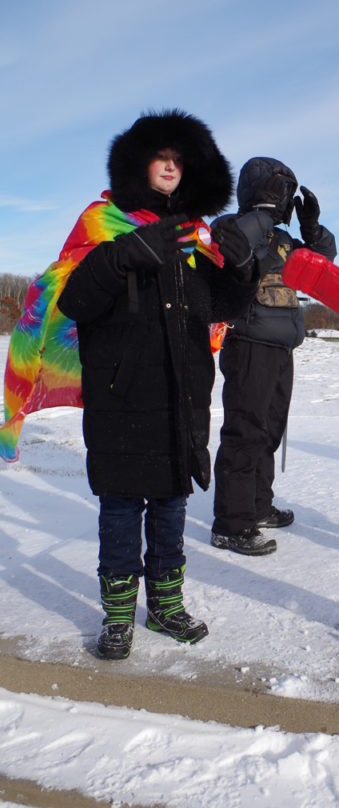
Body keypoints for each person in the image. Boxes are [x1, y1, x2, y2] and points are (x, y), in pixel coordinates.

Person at [58, 110, 272, 661]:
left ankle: (168, 606)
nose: (172, 167)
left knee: (172, 509)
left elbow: (224, 308)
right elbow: (73, 301)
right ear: (140, 163)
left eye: (181, 160)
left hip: (183, 398)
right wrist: (124, 255)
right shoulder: (102, 225)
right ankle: (118, 617)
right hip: (120, 401)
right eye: (163, 158)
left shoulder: (198, 237)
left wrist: (242, 269)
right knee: (122, 512)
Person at [210, 156, 337, 556]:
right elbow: (232, 253)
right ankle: (231, 523)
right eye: (278, 190)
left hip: (281, 347)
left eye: (287, 192)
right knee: (245, 433)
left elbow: (322, 264)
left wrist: (312, 230)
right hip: (248, 344)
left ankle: (258, 506)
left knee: (269, 432)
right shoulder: (232, 227)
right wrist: (261, 211)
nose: (283, 200)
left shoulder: (283, 240)